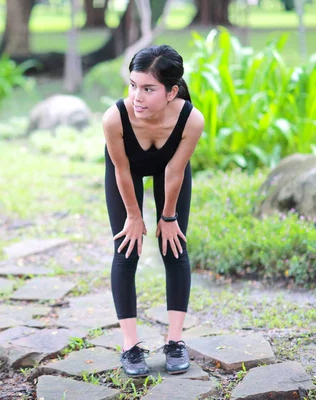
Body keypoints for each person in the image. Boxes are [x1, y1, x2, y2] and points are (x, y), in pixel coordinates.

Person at [102, 45, 205, 377]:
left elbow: (175, 171)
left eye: (148, 89)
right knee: (126, 250)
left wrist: (168, 217)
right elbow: (121, 170)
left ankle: (175, 341)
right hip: (126, 172)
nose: (137, 96)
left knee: (174, 248)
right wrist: (134, 216)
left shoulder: (191, 119)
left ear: (172, 91)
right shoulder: (115, 117)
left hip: (169, 171)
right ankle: (130, 347)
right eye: (133, 85)